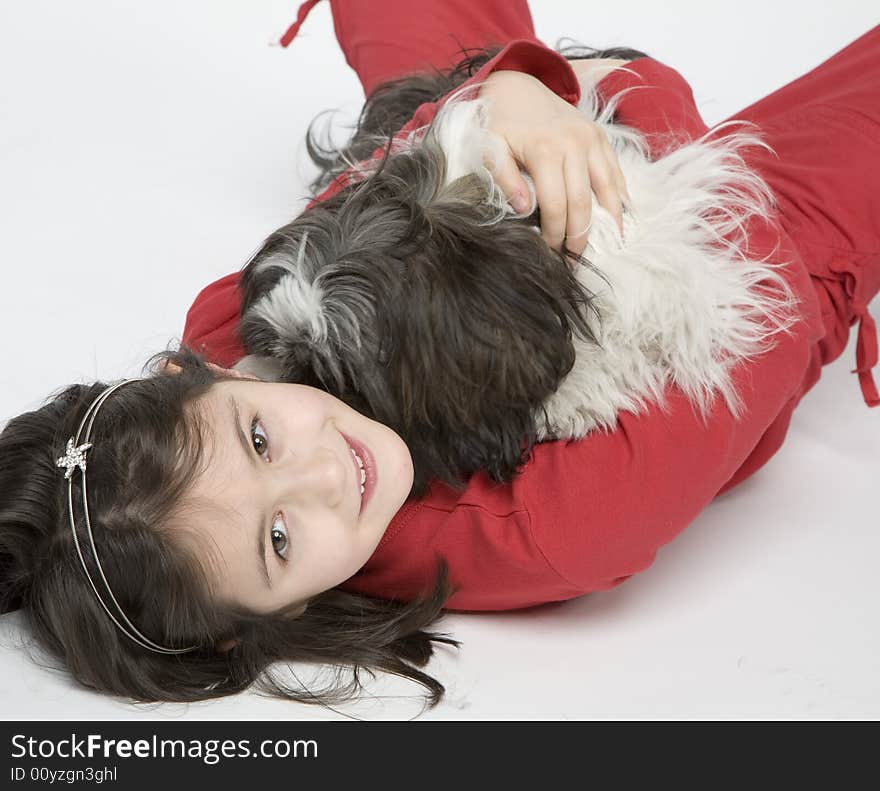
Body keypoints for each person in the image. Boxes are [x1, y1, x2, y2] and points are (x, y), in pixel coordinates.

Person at [0, 1, 877, 715]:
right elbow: (757, 304)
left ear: (192, 374)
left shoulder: (228, 329)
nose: (324, 476)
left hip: (494, 272)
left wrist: (512, 97)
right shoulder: (553, 533)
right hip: (757, 280)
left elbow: (396, 177)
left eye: (261, 438)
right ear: (266, 619)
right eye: (278, 539)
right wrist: (598, 98)